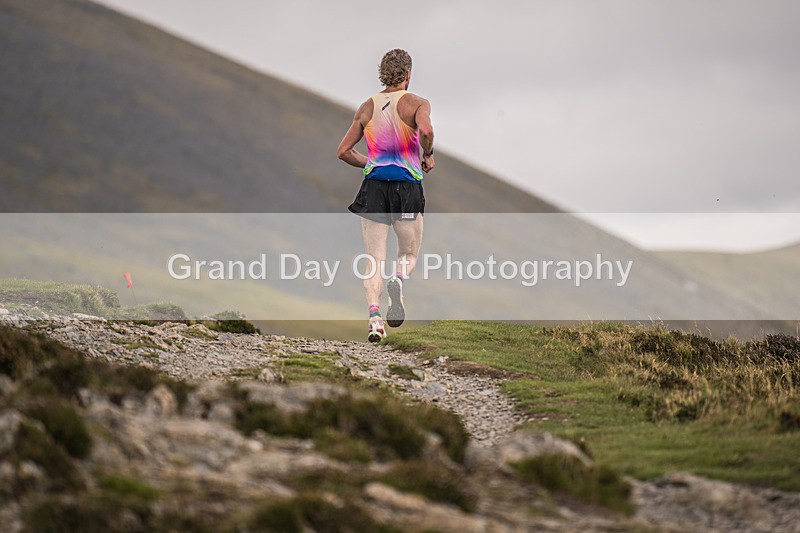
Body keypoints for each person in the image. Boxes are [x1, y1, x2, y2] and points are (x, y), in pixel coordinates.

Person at [337, 48, 435, 343]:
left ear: (383, 74)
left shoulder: (367, 107)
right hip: (406, 188)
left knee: (373, 259)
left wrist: (370, 163)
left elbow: (343, 152)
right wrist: (427, 154)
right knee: (408, 253)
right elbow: (427, 131)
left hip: (375, 188)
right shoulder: (417, 104)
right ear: (408, 75)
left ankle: (375, 319)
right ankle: (399, 280)